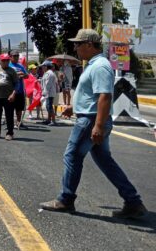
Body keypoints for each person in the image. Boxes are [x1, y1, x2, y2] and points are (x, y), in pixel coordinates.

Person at [40, 29, 147, 219]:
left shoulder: (99, 66)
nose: (75, 47)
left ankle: (66, 199)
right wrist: (74, 108)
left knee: (72, 156)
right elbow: (92, 94)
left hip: (90, 120)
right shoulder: (93, 65)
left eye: (78, 44)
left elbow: (104, 96)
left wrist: (98, 126)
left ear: (89, 44)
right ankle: (133, 202)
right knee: (105, 160)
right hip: (90, 117)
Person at [0, 53, 18, 141]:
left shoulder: (12, 71)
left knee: (9, 116)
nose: (6, 62)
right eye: (4, 60)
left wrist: (13, 94)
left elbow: (16, 84)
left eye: (7, 60)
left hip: (8, 97)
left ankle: (10, 133)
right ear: (0, 61)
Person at [9, 50, 28, 129]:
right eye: (14, 56)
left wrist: (23, 75)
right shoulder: (8, 65)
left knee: (19, 108)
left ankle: (18, 122)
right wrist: (16, 75)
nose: (16, 57)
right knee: (9, 108)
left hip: (20, 90)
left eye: (17, 56)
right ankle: (9, 123)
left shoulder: (21, 66)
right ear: (10, 57)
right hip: (10, 90)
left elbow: (27, 76)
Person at [40, 60, 59, 126]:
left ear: (46, 66)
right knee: (48, 106)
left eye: (43, 66)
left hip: (49, 93)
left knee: (49, 107)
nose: (42, 68)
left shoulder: (49, 74)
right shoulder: (47, 73)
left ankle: (53, 121)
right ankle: (48, 119)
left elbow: (48, 84)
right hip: (48, 92)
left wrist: (44, 94)